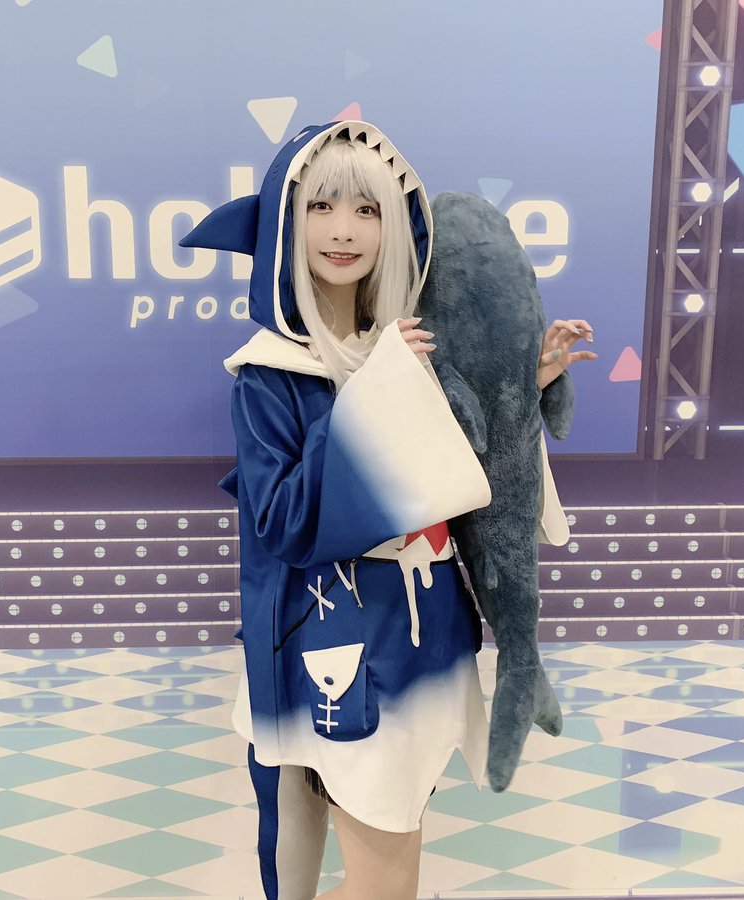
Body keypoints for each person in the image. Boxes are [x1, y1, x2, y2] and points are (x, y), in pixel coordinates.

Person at [180, 120, 594, 900]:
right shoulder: (270, 373)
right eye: (322, 206)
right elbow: (283, 521)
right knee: (383, 884)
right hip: (338, 651)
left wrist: (519, 392)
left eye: (366, 209)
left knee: (391, 874)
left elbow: (458, 479)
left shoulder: (405, 343)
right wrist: (378, 393)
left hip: (423, 635)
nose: (344, 230)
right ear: (286, 221)